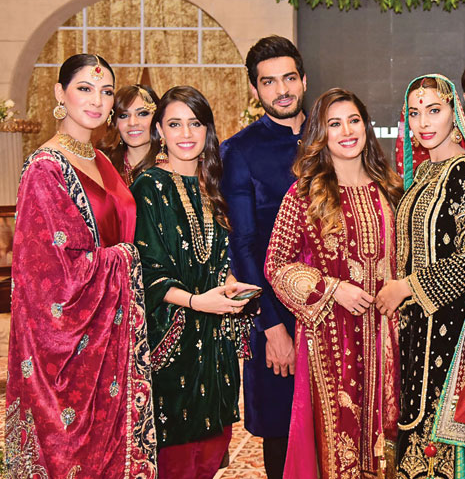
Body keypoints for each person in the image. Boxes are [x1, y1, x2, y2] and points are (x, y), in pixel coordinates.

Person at [4, 53, 156, 477]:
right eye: (84, 89)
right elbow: (47, 276)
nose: (97, 101)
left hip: (113, 335)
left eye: (105, 91)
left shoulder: (102, 160)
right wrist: (126, 258)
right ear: (60, 93)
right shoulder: (45, 168)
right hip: (70, 346)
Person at [264, 88, 402, 478]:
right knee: (336, 444)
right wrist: (332, 289)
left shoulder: (391, 188)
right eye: (334, 124)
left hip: (387, 334)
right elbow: (275, 264)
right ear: (320, 134)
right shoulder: (304, 194)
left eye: (354, 121)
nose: (347, 131)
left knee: (388, 438)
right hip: (329, 338)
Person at [132, 86, 259, 479]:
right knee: (176, 460)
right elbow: (146, 271)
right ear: (159, 131)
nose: (186, 133)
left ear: (208, 130)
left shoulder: (213, 187)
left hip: (215, 345)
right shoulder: (148, 187)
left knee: (209, 454)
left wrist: (231, 282)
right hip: (171, 344)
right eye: (175, 124)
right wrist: (196, 301)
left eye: (195, 123)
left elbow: (219, 257)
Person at [376, 74, 465, 479]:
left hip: (449, 329)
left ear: (454, 113)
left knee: (437, 444)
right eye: (414, 113)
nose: (423, 122)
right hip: (417, 327)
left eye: (434, 110)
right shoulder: (425, 171)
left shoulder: (463, 172)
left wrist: (406, 287)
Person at [220, 35, 306, 477]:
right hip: (275, 313)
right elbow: (243, 245)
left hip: (337, 310)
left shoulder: (332, 135)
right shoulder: (240, 151)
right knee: (283, 435)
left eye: (289, 78)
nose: (282, 90)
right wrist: (272, 328)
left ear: (304, 79)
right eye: (269, 82)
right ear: (255, 89)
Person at [99, 84, 161, 184]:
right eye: (124, 116)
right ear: (114, 122)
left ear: (158, 118)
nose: (132, 123)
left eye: (142, 114)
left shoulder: (171, 165)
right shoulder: (103, 164)